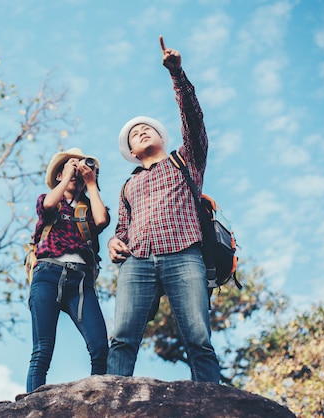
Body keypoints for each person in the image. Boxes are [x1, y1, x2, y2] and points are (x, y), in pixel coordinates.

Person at [106, 36, 220, 383]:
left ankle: (213, 402)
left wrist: (177, 76)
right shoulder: (128, 184)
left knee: (198, 338)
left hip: (184, 254)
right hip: (137, 261)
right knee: (122, 339)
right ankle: (112, 402)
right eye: (135, 134)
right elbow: (122, 229)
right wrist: (113, 242)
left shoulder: (184, 160)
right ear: (132, 151)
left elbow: (194, 124)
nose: (141, 132)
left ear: (160, 138)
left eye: (147, 129)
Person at [26, 147, 110, 392]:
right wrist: (66, 176)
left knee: (100, 347)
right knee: (42, 350)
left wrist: (91, 184)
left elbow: (102, 220)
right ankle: (32, 407)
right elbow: (50, 203)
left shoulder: (89, 206)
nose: (75, 170)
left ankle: (98, 402)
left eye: (80, 167)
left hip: (81, 282)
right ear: (59, 176)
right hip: (47, 274)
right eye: (70, 167)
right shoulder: (49, 199)